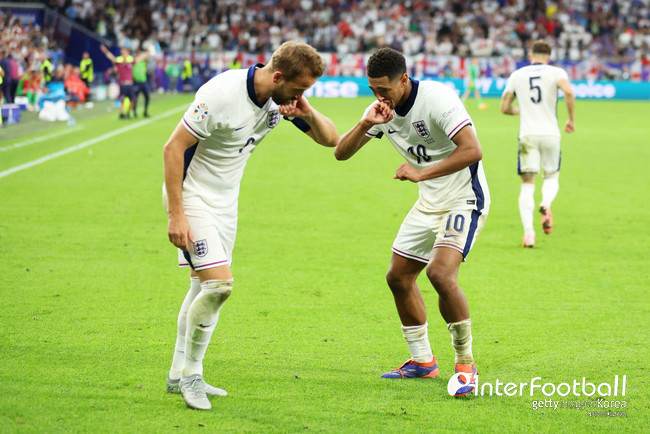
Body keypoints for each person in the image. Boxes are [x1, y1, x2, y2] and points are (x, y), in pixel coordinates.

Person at [162, 41, 339, 410]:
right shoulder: (220, 94)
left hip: (227, 203)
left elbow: (330, 139)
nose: (300, 94)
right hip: (192, 195)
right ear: (277, 76)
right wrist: (176, 214)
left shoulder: (281, 101)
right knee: (219, 286)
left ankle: (178, 373)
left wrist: (305, 108)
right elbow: (173, 148)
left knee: (202, 286)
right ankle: (192, 376)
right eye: (299, 88)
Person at [334, 47, 489, 395]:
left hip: (463, 198)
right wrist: (365, 123)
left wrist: (422, 173)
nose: (378, 96)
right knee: (398, 276)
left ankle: (466, 365)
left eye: (384, 89)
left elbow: (472, 150)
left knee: (439, 273)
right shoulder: (379, 109)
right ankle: (422, 361)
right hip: (428, 203)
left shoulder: (437, 98)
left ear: (403, 80)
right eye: (372, 89)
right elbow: (341, 153)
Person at [500, 39, 575, 248]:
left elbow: (504, 107)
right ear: (549, 58)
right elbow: (568, 92)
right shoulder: (556, 73)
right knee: (551, 177)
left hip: (527, 135)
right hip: (551, 134)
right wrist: (571, 120)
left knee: (526, 184)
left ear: (530, 56)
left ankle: (529, 234)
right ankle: (546, 203)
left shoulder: (517, 75)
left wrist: (522, 110)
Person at [100, 45, 149, 119]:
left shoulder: (131, 62)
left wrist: (147, 53)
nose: (124, 54)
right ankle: (122, 114)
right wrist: (105, 51)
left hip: (130, 84)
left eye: (125, 52)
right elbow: (111, 57)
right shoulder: (119, 62)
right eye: (122, 52)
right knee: (122, 100)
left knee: (133, 100)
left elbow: (139, 58)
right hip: (122, 84)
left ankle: (128, 113)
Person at [132, 48, 151, 118]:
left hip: (144, 82)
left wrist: (149, 52)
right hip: (137, 82)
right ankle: (134, 112)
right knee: (135, 97)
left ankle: (145, 112)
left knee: (147, 97)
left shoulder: (143, 61)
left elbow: (146, 57)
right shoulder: (134, 61)